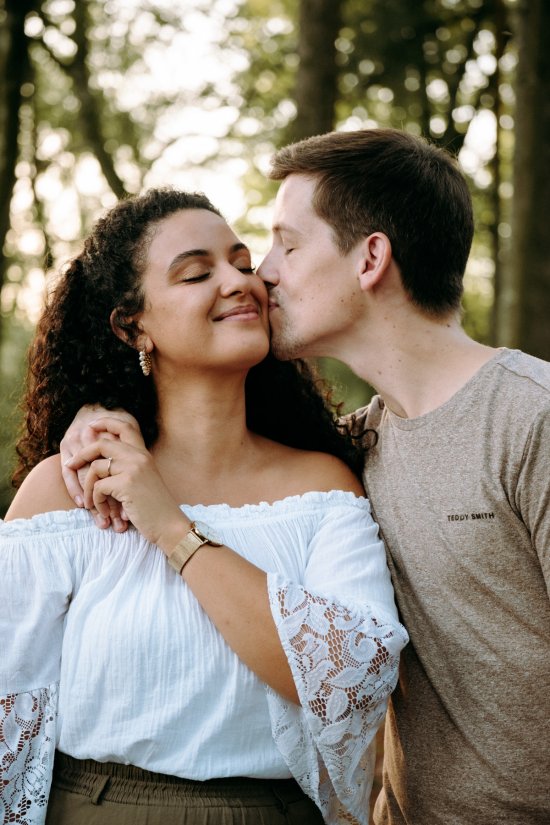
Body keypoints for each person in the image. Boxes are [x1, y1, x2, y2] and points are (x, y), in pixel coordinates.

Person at [61, 129, 550, 825]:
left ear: (370, 258)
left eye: (286, 245)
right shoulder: (357, 449)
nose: (263, 273)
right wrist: (95, 414)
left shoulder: (533, 419)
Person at [0, 187, 408, 825]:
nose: (239, 283)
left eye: (244, 264)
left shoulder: (323, 484)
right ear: (131, 324)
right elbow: (8, 705)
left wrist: (171, 527)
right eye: (197, 273)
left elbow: (348, 681)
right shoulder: (68, 491)